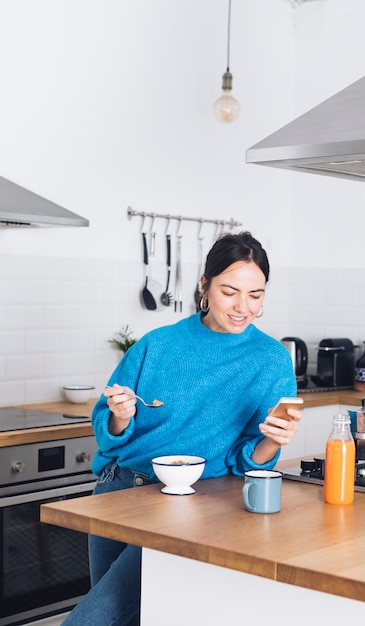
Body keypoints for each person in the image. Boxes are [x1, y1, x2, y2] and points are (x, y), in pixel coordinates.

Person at [62, 231, 302, 626]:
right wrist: (121, 414)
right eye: (230, 292)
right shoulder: (157, 344)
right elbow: (107, 425)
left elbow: (250, 460)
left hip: (189, 506)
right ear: (204, 286)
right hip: (116, 490)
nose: (244, 306)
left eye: (255, 295)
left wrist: (271, 442)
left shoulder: (271, 360)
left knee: (93, 619)